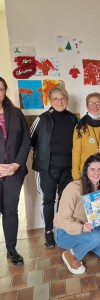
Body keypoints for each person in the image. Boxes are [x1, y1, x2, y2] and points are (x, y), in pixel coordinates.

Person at [54, 153, 100, 274]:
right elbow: (62, 220)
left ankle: (87, 242)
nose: (96, 173)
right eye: (92, 169)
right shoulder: (73, 188)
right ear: (86, 171)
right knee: (96, 237)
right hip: (65, 233)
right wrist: (81, 228)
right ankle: (71, 254)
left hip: (90, 229)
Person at [30, 86, 78, 248]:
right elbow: (30, 142)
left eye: (63, 98)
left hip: (68, 168)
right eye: (56, 99)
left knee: (64, 200)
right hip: (47, 169)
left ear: (67, 100)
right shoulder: (42, 119)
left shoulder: (73, 118)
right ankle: (48, 231)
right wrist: (42, 159)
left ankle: (61, 228)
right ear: (50, 101)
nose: (60, 102)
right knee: (48, 200)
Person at [0, 77, 31, 265]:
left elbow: (26, 139)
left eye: (1, 89)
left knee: (10, 211)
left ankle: (11, 249)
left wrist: (17, 164)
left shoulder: (15, 113)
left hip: (13, 173)